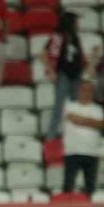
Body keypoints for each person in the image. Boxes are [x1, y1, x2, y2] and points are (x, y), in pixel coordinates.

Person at [41, 12, 86, 140]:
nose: (78, 23)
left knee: (76, 108)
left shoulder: (75, 37)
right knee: (58, 108)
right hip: (63, 75)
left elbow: (79, 57)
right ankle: (50, 137)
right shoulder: (58, 37)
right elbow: (43, 54)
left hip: (76, 75)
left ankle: (75, 135)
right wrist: (51, 71)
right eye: (76, 21)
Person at [62, 80, 103, 197]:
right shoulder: (70, 106)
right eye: (84, 90)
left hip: (91, 152)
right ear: (79, 91)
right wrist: (92, 122)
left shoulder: (97, 109)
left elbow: (100, 124)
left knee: (90, 187)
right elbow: (73, 118)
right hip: (73, 151)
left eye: (89, 90)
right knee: (68, 185)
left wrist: (82, 120)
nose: (86, 93)